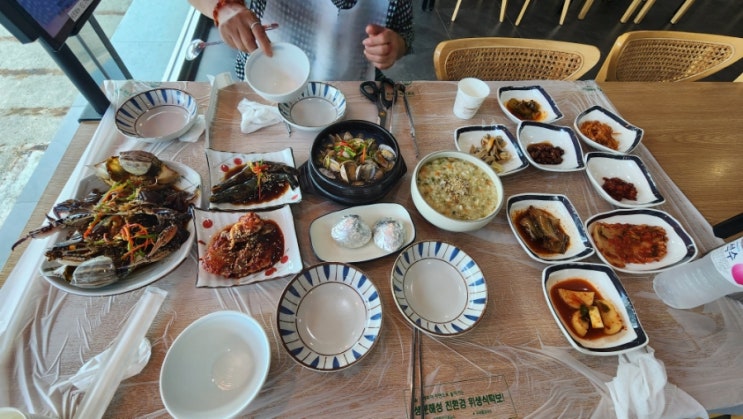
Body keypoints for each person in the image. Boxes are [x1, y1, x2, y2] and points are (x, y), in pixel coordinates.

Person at [188, 0, 414, 81]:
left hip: (354, 90)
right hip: (265, 85)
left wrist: (396, 45)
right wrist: (222, 7)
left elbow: (405, 32)